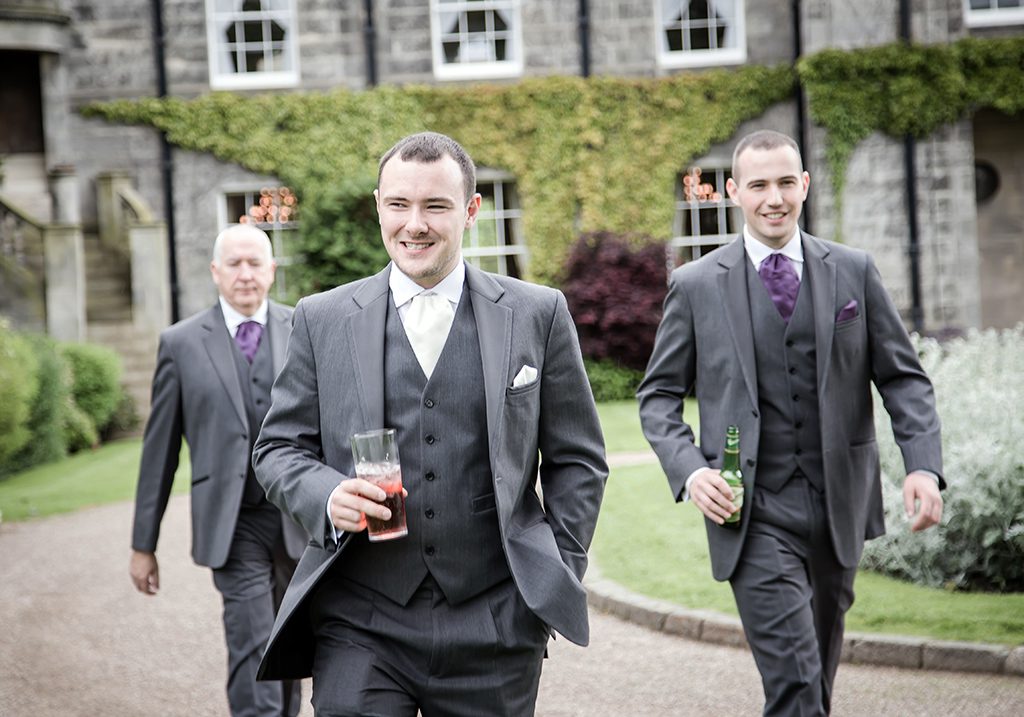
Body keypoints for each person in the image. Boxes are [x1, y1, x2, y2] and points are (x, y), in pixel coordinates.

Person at [251, 131, 608, 716]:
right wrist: (328, 494)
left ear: (470, 211)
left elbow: (579, 460)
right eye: (399, 204)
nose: (413, 224)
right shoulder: (323, 318)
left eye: (435, 206)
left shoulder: (537, 314)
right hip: (360, 617)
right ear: (378, 206)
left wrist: (552, 573)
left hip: (495, 621)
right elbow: (278, 448)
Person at [638, 129, 944, 716]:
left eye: (785, 182)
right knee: (798, 685)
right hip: (750, 512)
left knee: (816, 682)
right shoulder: (697, 284)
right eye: (758, 185)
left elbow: (903, 377)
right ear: (734, 191)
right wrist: (690, 470)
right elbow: (658, 397)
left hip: (838, 508)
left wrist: (923, 467)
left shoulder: (853, 272)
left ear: (803, 185)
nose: (773, 197)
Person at [129, 223, 307, 717]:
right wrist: (144, 544)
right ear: (215, 271)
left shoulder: (306, 329)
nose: (245, 274)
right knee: (253, 645)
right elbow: (158, 452)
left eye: (256, 263)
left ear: (272, 271)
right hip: (232, 525)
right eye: (235, 263)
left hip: (299, 520)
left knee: (291, 649)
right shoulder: (180, 343)